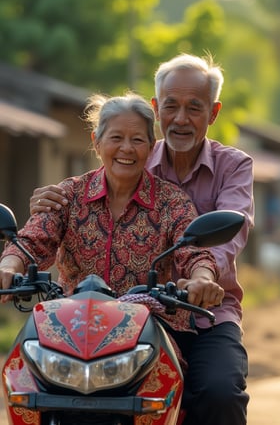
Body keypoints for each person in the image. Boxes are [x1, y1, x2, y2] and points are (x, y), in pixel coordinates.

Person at [27, 53, 255, 425]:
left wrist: (203, 278)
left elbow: (230, 232)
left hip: (203, 312)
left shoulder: (232, 167)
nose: (181, 118)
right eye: (171, 106)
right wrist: (44, 206)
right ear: (156, 108)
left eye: (194, 108)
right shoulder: (125, 160)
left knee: (219, 393)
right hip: (115, 319)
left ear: (213, 113)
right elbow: (63, 213)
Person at [0, 92, 221, 324]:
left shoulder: (172, 202)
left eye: (137, 140)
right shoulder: (68, 195)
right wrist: (8, 266)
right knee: (25, 355)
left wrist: (202, 279)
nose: (126, 148)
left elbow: (195, 253)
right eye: (116, 137)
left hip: (145, 333)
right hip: (69, 328)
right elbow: (32, 241)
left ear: (150, 147)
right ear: (97, 140)